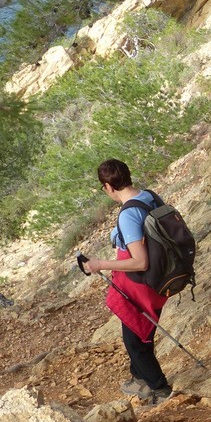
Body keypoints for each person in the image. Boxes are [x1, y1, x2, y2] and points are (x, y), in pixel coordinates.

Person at [83, 159, 174, 404]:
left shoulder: (129, 214)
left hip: (141, 284)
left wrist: (99, 264)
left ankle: (161, 390)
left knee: (136, 342)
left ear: (108, 187)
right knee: (142, 333)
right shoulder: (149, 196)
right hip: (159, 279)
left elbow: (139, 262)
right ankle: (139, 379)